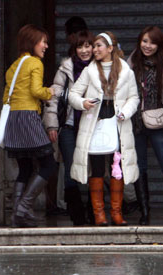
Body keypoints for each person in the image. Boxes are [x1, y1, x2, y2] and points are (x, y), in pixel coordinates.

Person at [68, 31, 140, 226]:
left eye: (99, 46)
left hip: (118, 121)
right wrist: (83, 103)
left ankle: (116, 213)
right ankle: (99, 214)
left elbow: (134, 97)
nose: (94, 49)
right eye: (94, 46)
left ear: (110, 49)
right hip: (95, 122)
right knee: (97, 168)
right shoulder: (89, 70)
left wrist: (126, 111)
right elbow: (73, 94)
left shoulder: (125, 70)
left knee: (117, 168)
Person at [2, 24, 59, 227]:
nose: (45, 46)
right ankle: (23, 208)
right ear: (32, 42)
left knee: (25, 167)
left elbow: (5, 96)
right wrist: (49, 92)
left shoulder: (14, 66)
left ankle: (17, 215)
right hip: (28, 116)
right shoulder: (35, 63)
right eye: (43, 42)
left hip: (13, 118)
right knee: (48, 163)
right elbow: (36, 91)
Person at [128, 26, 163, 226]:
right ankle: (145, 212)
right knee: (139, 167)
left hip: (159, 121)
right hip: (135, 122)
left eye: (152, 42)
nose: (148, 46)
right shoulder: (131, 63)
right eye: (144, 41)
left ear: (159, 45)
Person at [44, 30, 94, 226]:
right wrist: (52, 124)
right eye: (80, 47)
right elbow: (53, 97)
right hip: (69, 126)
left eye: (87, 46)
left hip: (92, 126)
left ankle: (94, 212)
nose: (84, 50)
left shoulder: (99, 67)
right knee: (72, 169)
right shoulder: (66, 68)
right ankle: (77, 216)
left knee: (95, 170)